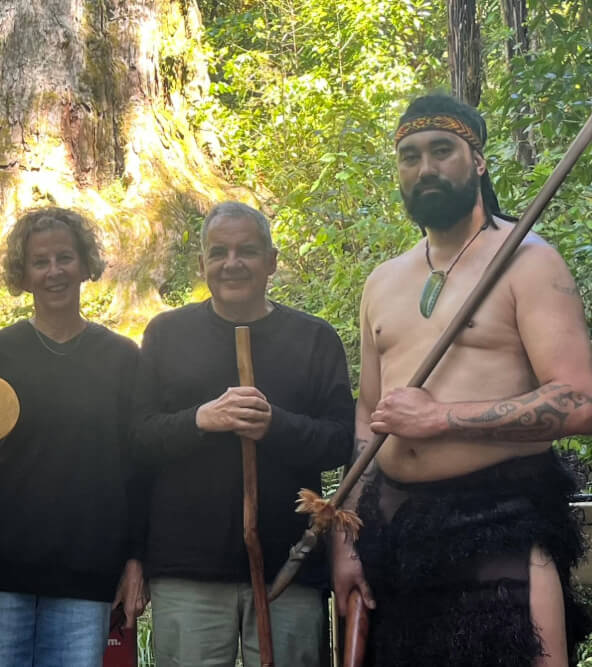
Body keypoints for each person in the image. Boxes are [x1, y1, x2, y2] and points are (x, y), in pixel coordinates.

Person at [332, 94, 592, 667]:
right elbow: (367, 416)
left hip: (498, 525)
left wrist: (440, 419)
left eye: (441, 150)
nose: (424, 168)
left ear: (477, 162)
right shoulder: (382, 281)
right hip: (393, 536)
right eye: (409, 156)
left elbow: (579, 401)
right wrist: (347, 540)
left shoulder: (527, 261)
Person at [131, 201, 354, 667]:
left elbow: (340, 441)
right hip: (187, 570)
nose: (232, 264)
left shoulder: (314, 339)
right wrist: (200, 420)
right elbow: (139, 437)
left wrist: (276, 424)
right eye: (219, 252)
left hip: (289, 567)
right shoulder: (167, 334)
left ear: (271, 261)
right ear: (202, 264)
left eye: (247, 251)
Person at [0, 207, 147, 667]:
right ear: (22, 275)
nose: (53, 272)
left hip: (87, 573)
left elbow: (138, 465)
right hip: (3, 572)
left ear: (86, 264)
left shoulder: (122, 357)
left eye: (65, 258)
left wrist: (135, 560)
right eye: (39, 262)